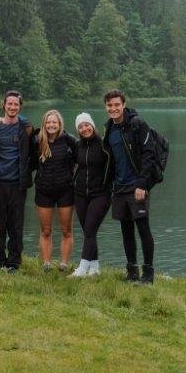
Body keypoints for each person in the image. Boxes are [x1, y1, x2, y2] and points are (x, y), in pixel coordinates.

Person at [102, 89, 157, 284]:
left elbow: (149, 153)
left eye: (117, 105)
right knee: (126, 230)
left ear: (123, 105)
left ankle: (148, 274)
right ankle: (132, 271)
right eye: (110, 105)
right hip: (119, 187)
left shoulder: (137, 124)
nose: (114, 108)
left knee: (143, 229)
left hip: (136, 186)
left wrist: (142, 184)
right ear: (106, 107)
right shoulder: (110, 128)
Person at [0, 90, 34, 271]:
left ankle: (14, 262)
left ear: (20, 107)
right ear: (3, 105)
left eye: (16, 104)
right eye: (10, 104)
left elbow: (34, 151)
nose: (12, 107)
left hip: (17, 184)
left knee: (16, 225)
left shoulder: (25, 127)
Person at [31, 109, 77, 270]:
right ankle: (47, 263)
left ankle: (64, 263)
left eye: (54, 122)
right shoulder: (37, 141)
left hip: (65, 190)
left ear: (59, 124)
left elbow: (81, 160)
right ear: (44, 124)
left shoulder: (69, 140)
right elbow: (29, 162)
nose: (51, 125)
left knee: (66, 230)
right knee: (45, 230)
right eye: (48, 122)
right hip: (43, 190)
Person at [70, 111, 112, 277]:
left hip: (100, 194)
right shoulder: (77, 146)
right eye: (81, 126)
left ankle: (82, 268)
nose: (84, 128)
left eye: (87, 125)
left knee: (89, 230)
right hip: (80, 194)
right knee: (89, 232)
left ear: (92, 126)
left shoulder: (103, 144)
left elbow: (113, 166)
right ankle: (94, 269)